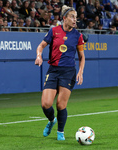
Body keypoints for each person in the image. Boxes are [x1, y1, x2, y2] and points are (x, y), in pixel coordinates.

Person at [34, 5, 85, 141]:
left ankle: (60, 132)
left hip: (68, 72)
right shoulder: (54, 31)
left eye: (76, 17)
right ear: (64, 18)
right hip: (53, 70)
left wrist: (80, 71)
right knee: (46, 104)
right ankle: (52, 120)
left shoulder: (78, 36)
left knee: (61, 105)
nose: (75, 20)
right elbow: (41, 46)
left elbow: (81, 56)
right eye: (72, 17)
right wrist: (39, 55)